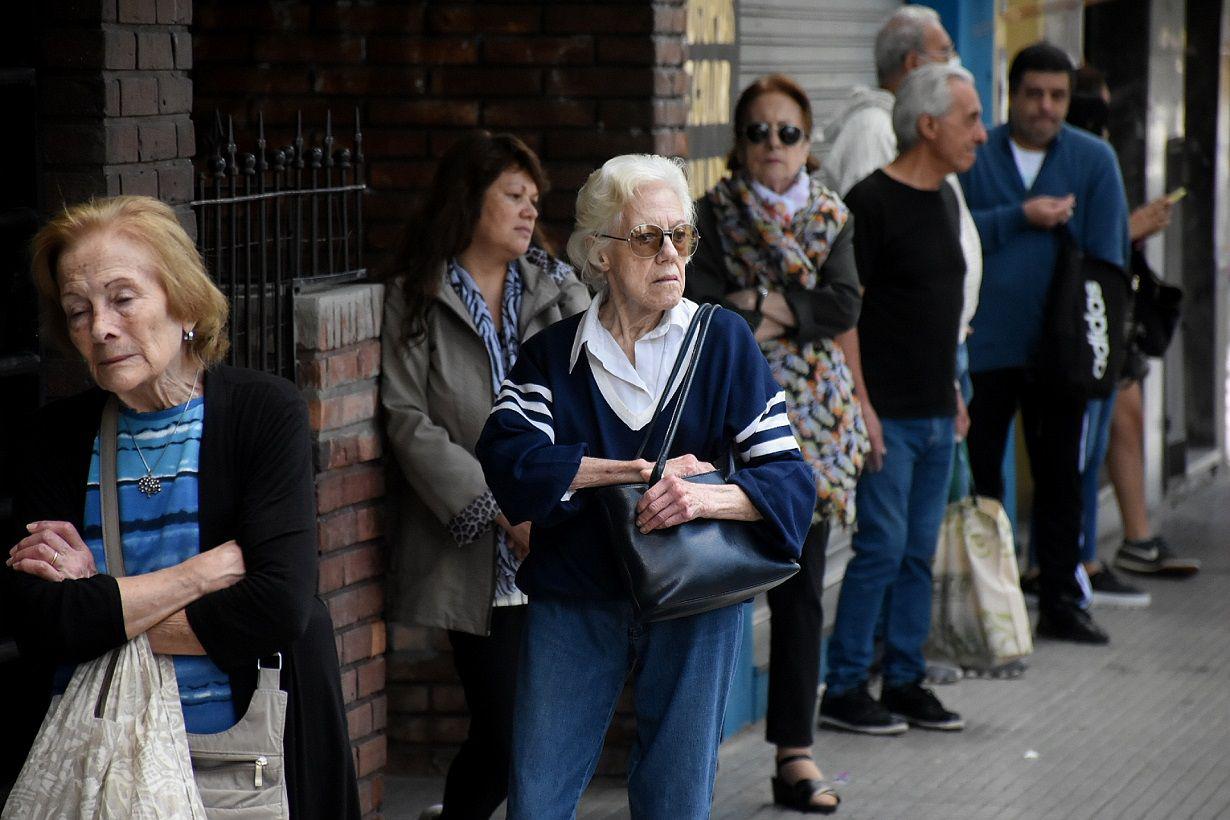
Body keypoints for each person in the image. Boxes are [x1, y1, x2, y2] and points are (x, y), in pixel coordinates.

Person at [476, 154, 816, 819]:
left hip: (695, 599)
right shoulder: (553, 355)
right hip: (575, 597)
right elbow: (511, 463)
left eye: (680, 236)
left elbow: (790, 483)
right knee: (537, 798)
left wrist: (703, 496)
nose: (669, 253)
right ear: (600, 254)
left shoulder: (722, 344)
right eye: (646, 237)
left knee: (675, 800)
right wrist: (642, 476)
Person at [1, 195, 359, 818]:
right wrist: (203, 574)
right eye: (78, 310)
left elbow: (278, 607)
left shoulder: (262, 412)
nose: (101, 327)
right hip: (95, 767)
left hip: (236, 766)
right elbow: (41, 624)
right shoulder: (52, 439)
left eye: (123, 298)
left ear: (184, 301)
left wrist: (102, 603)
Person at [378, 131, 590, 820]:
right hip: (478, 548)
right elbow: (409, 419)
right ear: (470, 199)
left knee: (543, 732)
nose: (530, 211)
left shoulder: (556, 289)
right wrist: (505, 508)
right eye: (513, 195)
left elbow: (590, 398)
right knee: (502, 734)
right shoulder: (417, 296)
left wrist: (549, 501)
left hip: (553, 536)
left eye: (534, 198)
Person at [686, 73, 862, 813]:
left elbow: (844, 302)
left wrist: (759, 303)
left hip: (814, 423)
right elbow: (701, 297)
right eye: (758, 131)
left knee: (799, 592)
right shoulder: (711, 212)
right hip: (728, 414)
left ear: (808, 140)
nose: (772, 146)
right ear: (738, 141)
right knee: (709, 584)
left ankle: (795, 752)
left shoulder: (832, 215)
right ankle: (689, 750)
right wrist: (777, 308)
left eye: (787, 132)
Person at [818, 2, 986, 684]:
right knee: (882, 548)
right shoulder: (870, 202)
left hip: (936, 409)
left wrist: (952, 390)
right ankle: (851, 682)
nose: (981, 133)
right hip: (884, 410)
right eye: (970, 119)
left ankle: (907, 677)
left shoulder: (945, 197)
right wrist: (860, 403)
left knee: (921, 549)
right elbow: (844, 312)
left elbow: (937, 309)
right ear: (928, 125)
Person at [958, 42, 1130, 644]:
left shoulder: (1094, 159)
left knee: (1063, 478)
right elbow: (953, 234)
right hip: (984, 350)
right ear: (1012, 93)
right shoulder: (976, 154)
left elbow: (1110, 264)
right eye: (1034, 93)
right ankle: (986, 602)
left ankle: (1060, 597)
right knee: (982, 483)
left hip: (1063, 352)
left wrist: (1104, 355)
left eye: (1058, 95)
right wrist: (1020, 216)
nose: (1046, 106)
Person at [1065, 67, 1201, 589]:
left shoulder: (1094, 159)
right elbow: (1081, 249)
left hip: (1107, 324)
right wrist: (1132, 229)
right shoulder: (1071, 162)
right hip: (1082, 327)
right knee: (1083, 445)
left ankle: (1118, 546)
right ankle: (1080, 560)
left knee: (1109, 429)